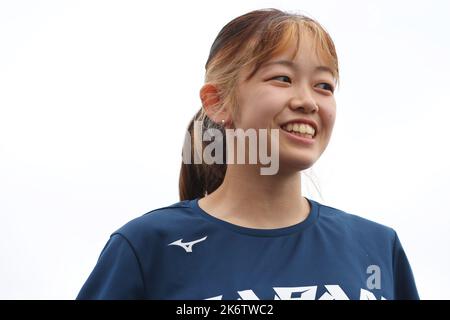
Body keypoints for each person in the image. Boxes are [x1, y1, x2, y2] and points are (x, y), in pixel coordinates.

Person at [76, 8, 419, 300]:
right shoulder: (146, 246)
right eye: (282, 78)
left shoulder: (377, 247)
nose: (308, 101)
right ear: (217, 101)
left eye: (324, 85)